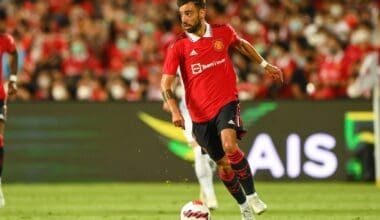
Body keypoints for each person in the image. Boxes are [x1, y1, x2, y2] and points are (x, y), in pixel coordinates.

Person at [160, 1, 283, 219]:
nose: (184, 19)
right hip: (199, 116)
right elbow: (165, 84)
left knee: (229, 145)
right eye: (182, 15)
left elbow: (242, 44)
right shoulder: (178, 46)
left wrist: (265, 65)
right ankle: (244, 206)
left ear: (202, 12)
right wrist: (174, 111)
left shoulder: (223, 32)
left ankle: (253, 195)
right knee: (224, 166)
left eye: (189, 13)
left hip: (226, 102)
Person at [163, 84, 218, 209]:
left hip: (212, 110)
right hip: (188, 113)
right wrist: (167, 100)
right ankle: (210, 196)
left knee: (213, 154)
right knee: (199, 150)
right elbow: (168, 79)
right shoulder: (180, 64)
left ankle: (205, 188)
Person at [0, 8, 19, 208]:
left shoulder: (5, 40)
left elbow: (15, 54)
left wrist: (13, 79)